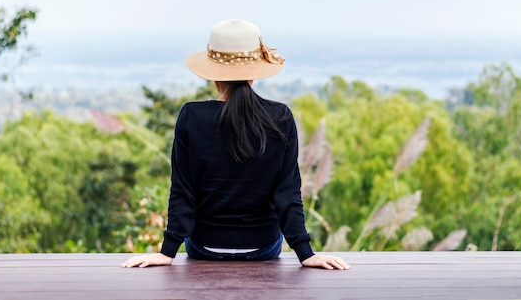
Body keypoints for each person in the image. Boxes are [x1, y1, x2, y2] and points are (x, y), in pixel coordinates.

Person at [121, 19, 350, 270]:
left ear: (213, 74)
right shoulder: (280, 118)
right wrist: (306, 253)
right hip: (262, 248)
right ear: (254, 72)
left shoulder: (191, 116)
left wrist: (167, 252)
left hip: (204, 248)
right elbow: (288, 193)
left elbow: (182, 191)